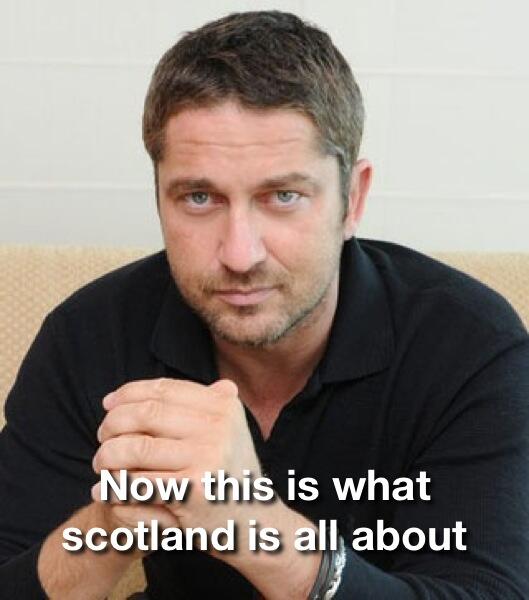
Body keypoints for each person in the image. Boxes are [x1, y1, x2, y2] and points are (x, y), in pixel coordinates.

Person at [1, 10, 528, 599]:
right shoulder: (88, 335)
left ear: (352, 199)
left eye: (283, 196)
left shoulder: (470, 344)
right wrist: (108, 525)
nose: (239, 253)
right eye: (199, 197)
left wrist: (254, 527)